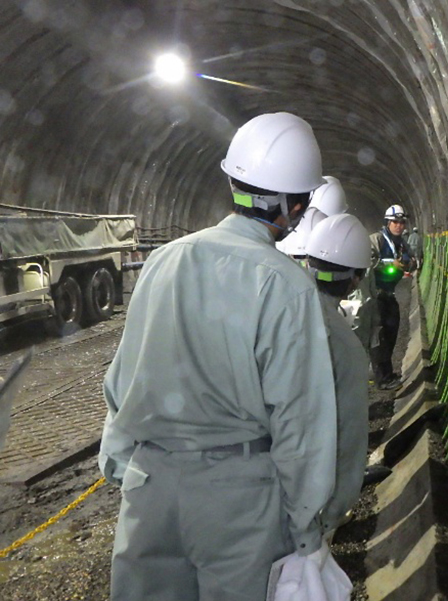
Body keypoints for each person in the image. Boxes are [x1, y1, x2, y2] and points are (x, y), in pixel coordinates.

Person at [98, 112, 339, 601]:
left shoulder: (165, 259)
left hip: (150, 487)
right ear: (294, 206)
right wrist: (306, 529)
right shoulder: (285, 285)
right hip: (237, 498)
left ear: (233, 181)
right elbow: (301, 422)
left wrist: (127, 468)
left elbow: (122, 382)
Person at [303, 214, 370, 533]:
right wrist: (334, 512)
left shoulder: (274, 306)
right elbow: (348, 437)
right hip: (304, 500)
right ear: (355, 279)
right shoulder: (346, 347)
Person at [369, 204, 416, 390]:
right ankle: (382, 378)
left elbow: (411, 261)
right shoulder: (377, 239)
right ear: (387, 222)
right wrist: (390, 263)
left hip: (390, 294)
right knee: (380, 336)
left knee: (391, 333)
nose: (399, 225)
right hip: (376, 296)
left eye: (402, 222)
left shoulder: (402, 243)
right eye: (395, 222)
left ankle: (388, 374)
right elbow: (367, 260)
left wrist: (409, 263)